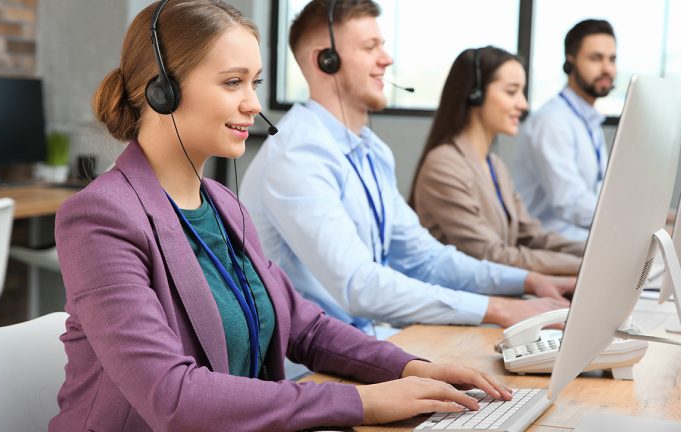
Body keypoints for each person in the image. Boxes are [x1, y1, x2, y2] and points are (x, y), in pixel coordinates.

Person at [49, 1, 515, 430]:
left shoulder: (224, 206)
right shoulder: (101, 218)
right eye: (233, 82)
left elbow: (304, 327)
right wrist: (364, 402)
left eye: (254, 82)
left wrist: (410, 367)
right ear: (163, 90)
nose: (253, 104)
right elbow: (171, 396)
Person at [240, 0, 573, 331]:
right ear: (326, 61)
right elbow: (360, 286)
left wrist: (531, 281)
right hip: (308, 369)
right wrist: (499, 309)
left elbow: (427, 259)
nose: (387, 59)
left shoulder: (372, 152)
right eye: (370, 48)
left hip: (368, 340)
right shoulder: (297, 155)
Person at [410, 46, 585, 276]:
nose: (523, 104)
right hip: (464, 301)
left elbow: (531, 235)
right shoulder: (443, 166)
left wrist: (593, 251)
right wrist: (583, 267)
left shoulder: (495, 165)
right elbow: (493, 255)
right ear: (476, 94)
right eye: (512, 92)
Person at [513, 19, 616, 241]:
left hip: (581, 236)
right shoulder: (552, 121)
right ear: (571, 62)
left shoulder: (588, 121)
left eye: (612, 59)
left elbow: (595, 196)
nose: (607, 68)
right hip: (548, 242)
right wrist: (626, 224)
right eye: (596, 58)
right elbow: (569, 201)